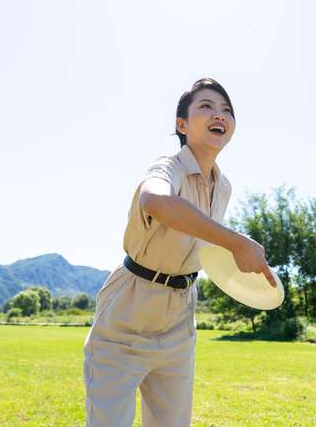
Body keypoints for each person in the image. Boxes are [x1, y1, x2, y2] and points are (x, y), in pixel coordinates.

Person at [83, 78, 277, 427]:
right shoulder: (167, 166)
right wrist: (237, 242)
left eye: (227, 110)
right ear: (182, 125)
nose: (220, 114)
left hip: (180, 317)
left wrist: (240, 262)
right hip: (129, 308)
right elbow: (154, 200)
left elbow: (201, 244)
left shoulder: (225, 186)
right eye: (206, 106)